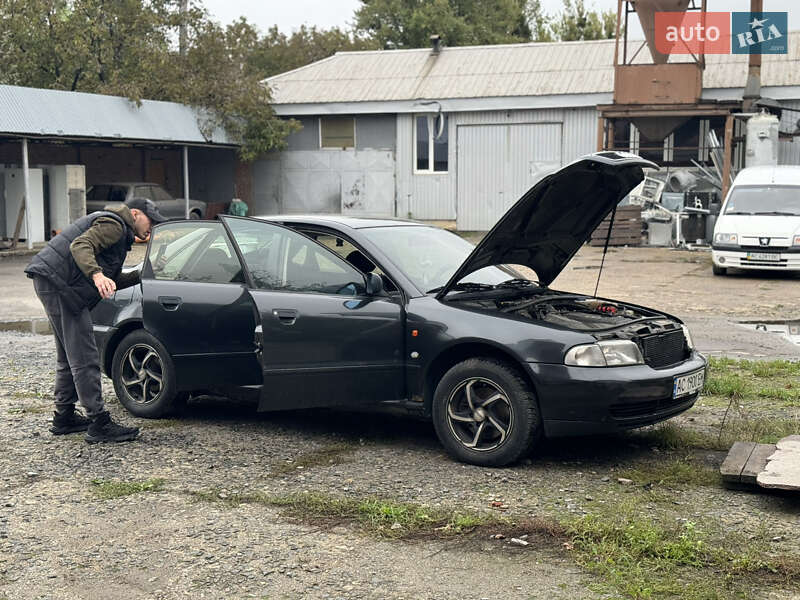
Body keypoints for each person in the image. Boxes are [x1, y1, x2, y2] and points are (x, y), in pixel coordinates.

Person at [24, 197, 167, 443]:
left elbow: (112, 280)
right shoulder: (115, 225)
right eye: (150, 220)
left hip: (54, 281)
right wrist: (97, 274)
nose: (151, 226)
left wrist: (139, 275)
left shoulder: (119, 235)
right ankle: (98, 421)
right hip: (60, 284)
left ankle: (64, 416)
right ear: (135, 213)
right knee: (84, 355)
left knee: (69, 354)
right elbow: (80, 246)